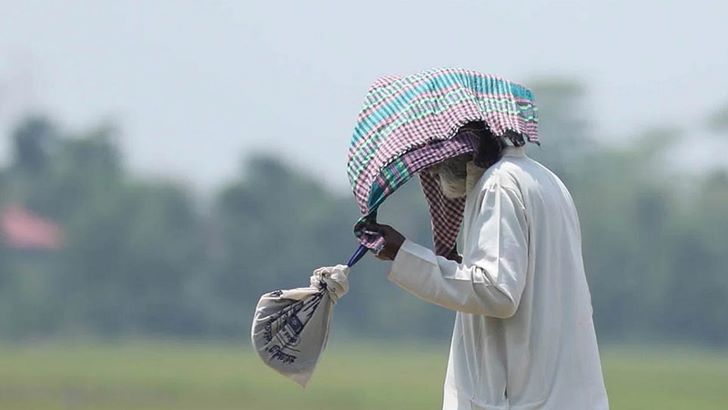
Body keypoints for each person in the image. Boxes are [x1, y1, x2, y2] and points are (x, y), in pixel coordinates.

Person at [365, 123, 609, 409]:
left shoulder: (499, 185)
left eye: (434, 151)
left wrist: (403, 254)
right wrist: (460, 267)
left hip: (521, 399)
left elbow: (497, 291)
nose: (429, 170)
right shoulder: (543, 179)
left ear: (463, 139)